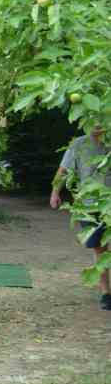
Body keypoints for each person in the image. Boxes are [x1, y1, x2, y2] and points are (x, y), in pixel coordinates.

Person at [50, 126, 110, 310]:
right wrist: (55, 192)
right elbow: (63, 170)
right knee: (100, 249)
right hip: (90, 204)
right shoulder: (78, 144)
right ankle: (106, 293)